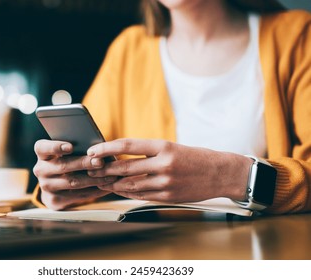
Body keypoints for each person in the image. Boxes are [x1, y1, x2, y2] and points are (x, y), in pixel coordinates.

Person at [32, 0, 311, 214]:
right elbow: (82, 166)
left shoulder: (297, 36)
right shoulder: (130, 50)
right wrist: (57, 190)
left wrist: (228, 176)